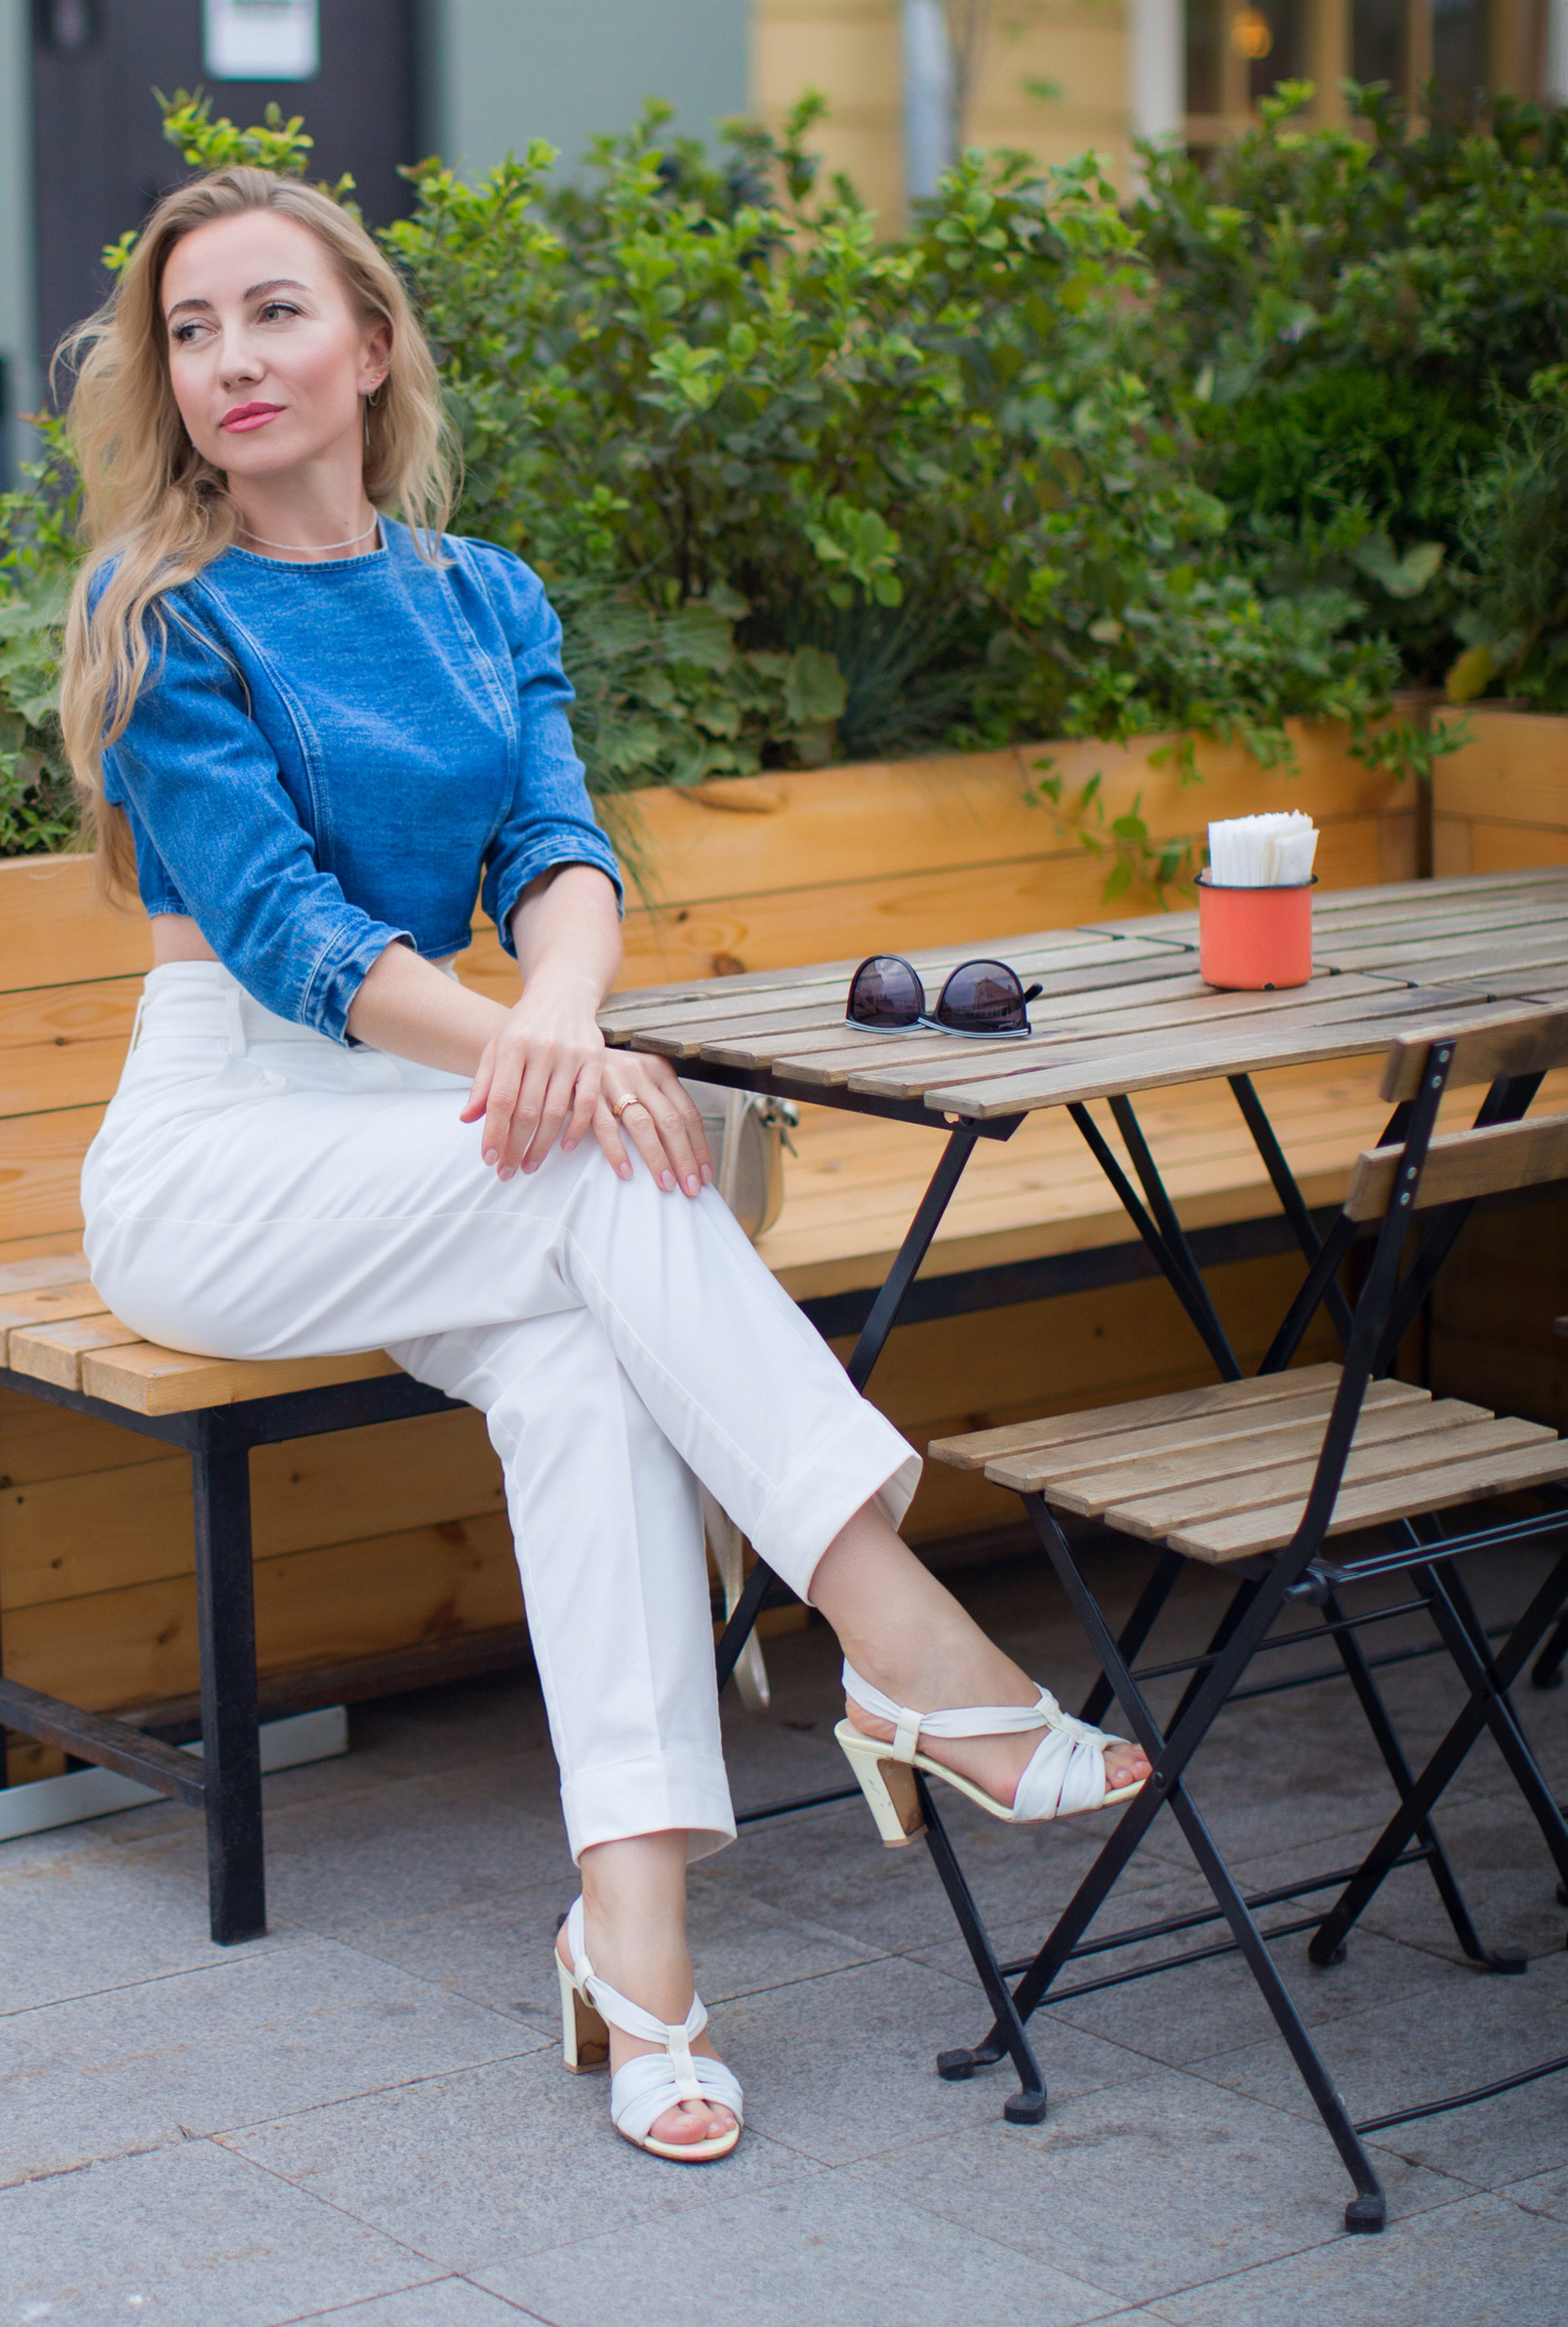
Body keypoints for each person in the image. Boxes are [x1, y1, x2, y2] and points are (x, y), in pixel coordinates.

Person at [61, 165, 1149, 2166]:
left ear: (368, 343)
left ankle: (634, 1960)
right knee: (604, 1170)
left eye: (272, 313)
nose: (229, 360)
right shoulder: (166, 628)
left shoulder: (482, 599)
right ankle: (896, 1637)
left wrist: (560, 1023)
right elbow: (295, 938)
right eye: (190, 329)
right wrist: (546, 1062)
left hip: (433, 1114)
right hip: (222, 1147)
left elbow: (561, 856)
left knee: (581, 1366)